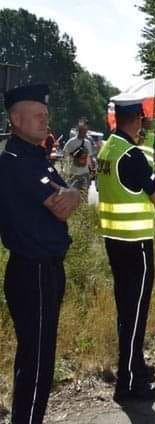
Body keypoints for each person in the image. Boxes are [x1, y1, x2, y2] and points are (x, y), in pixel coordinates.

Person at [0, 84, 81, 424]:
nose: (45, 121)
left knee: (38, 357)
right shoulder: (17, 160)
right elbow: (61, 206)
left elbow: (68, 195)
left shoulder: (36, 158)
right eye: (37, 115)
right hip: (32, 270)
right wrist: (71, 194)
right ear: (15, 119)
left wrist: (72, 193)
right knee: (36, 361)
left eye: (46, 116)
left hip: (44, 270)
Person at [96, 97, 155, 403]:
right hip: (136, 244)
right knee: (135, 316)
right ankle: (127, 385)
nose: (143, 125)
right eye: (142, 120)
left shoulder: (107, 149)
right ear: (136, 120)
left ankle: (135, 368)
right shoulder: (133, 155)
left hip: (114, 241)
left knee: (127, 311)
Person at [63, 118, 96, 197]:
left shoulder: (88, 143)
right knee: (73, 196)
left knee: (84, 196)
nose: (84, 132)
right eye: (82, 130)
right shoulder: (71, 142)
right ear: (79, 130)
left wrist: (92, 170)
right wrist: (66, 171)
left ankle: (83, 209)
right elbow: (65, 155)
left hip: (85, 173)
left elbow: (89, 158)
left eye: (85, 130)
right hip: (73, 174)